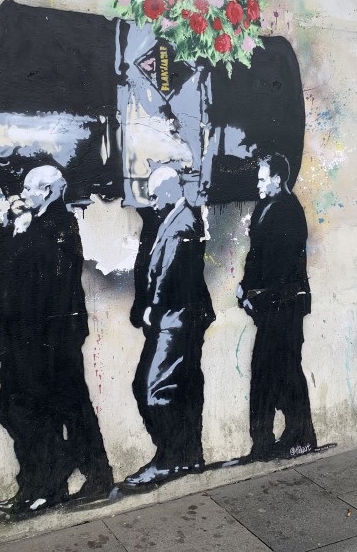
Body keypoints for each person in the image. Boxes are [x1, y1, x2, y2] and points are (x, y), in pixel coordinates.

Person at [0, 165, 113, 514]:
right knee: (34, 409)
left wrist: (19, 229)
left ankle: (49, 485)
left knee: (41, 411)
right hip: (27, 336)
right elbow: (0, 244)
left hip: (51, 338)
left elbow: (41, 281)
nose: (22, 195)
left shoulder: (59, 228)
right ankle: (56, 481)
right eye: (23, 189)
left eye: (30, 190)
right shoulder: (30, 226)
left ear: (51, 192)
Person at [124, 167, 215, 488]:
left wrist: (153, 308)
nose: (151, 199)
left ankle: (169, 458)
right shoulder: (174, 218)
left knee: (152, 388)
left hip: (177, 318)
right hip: (179, 316)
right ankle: (187, 456)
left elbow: (169, 272)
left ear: (170, 190)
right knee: (182, 387)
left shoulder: (183, 222)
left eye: (155, 192)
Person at [237, 154, 316, 461]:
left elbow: (280, 264)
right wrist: (246, 287)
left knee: (284, 371)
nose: (257, 182)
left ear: (277, 179)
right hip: (272, 304)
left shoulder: (288, 210)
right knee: (266, 372)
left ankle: (300, 436)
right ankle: (265, 440)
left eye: (262, 177)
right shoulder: (266, 208)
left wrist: (255, 291)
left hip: (286, 304)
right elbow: (256, 257)